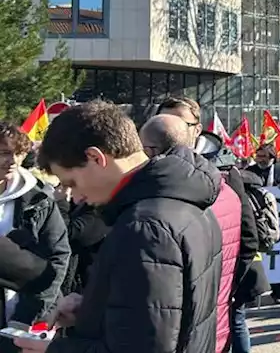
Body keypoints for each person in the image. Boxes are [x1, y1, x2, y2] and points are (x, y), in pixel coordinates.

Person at [28, 101, 221, 353]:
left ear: (96, 158)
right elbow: (165, 315)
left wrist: (52, 349)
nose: (75, 196)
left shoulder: (144, 226)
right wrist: (93, 308)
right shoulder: (186, 201)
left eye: (72, 182)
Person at [157, 97, 266, 353]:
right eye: (164, 122)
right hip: (176, 288)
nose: (170, 131)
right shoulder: (150, 171)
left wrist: (229, 278)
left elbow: (248, 236)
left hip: (222, 286)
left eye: (179, 123)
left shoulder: (225, 172)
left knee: (233, 325)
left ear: (197, 128)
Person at [140, 114, 244, 353]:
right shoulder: (224, 189)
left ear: (149, 149)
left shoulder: (156, 206)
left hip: (181, 332)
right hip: (213, 325)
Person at [0, 123, 69, 347]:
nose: (12, 161)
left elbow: (58, 258)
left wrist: (26, 317)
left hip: (25, 319)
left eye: (17, 154)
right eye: (3, 153)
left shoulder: (38, 200)